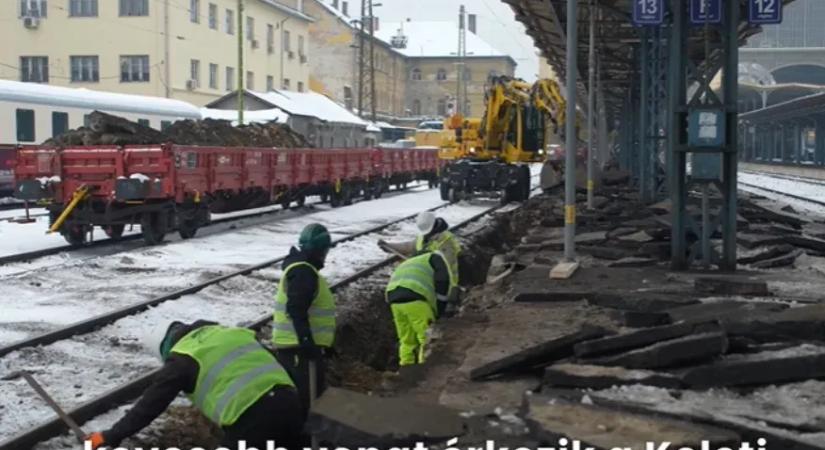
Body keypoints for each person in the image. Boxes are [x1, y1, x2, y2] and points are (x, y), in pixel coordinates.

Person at [86, 321, 302, 450]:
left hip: (254, 418)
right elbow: (277, 362)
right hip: (291, 401)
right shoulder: (226, 333)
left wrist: (109, 436)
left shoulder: (182, 357)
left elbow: (150, 404)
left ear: (166, 348)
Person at [272, 223, 336, 416]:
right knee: (306, 403)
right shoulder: (303, 272)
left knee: (307, 401)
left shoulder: (303, 269)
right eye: (324, 251)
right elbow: (296, 309)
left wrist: (325, 344)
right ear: (319, 251)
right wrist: (307, 341)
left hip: (297, 348)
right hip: (298, 350)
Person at [385, 251, 454, 366]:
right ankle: (425, 368)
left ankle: (405, 367)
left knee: (406, 339)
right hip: (416, 298)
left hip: (394, 299)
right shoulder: (434, 258)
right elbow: (443, 280)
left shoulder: (408, 262)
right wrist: (441, 307)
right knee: (426, 338)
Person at [377, 211, 462, 287]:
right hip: (427, 282)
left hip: (446, 284)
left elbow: (444, 266)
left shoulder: (446, 242)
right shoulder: (423, 237)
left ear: (434, 227)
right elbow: (408, 246)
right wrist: (389, 246)